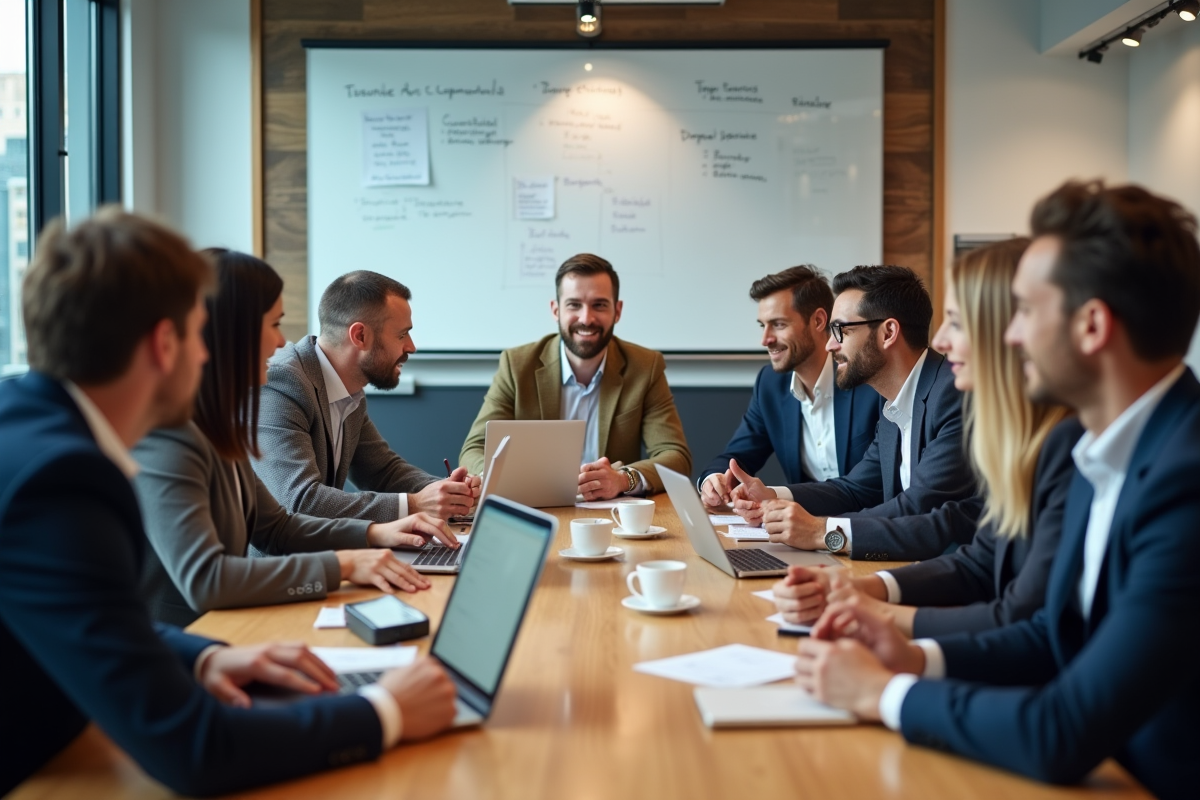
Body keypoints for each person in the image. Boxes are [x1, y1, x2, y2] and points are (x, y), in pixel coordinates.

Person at [0, 209, 457, 797]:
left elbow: (95, 620)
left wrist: (201, 659)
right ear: (166, 344)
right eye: (198, 333)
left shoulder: (37, 434)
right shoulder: (63, 478)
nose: (209, 353)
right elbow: (194, 747)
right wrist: (382, 713)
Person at [794, 181, 1200, 800]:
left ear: (1092, 326)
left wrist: (884, 692)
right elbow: (1048, 636)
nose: (1009, 335)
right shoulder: (1100, 447)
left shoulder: (1183, 482)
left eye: (1027, 312)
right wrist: (911, 657)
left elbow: (1061, 728)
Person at [772, 239, 1081, 636]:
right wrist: (862, 590)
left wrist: (826, 535)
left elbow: (933, 513)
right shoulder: (900, 403)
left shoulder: (971, 403)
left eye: (958, 321)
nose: (942, 340)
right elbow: (980, 558)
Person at [134, 250, 458, 628]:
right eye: (272, 324)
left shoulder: (213, 422)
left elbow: (276, 527)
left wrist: (375, 533)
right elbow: (208, 580)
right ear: (228, 332)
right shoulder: (168, 433)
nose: (279, 341)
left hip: (223, 630)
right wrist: (346, 562)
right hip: (189, 643)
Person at [732, 265, 981, 561]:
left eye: (841, 330)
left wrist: (820, 531)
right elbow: (856, 489)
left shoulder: (953, 394)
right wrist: (774, 497)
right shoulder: (895, 403)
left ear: (888, 332)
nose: (829, 344)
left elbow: (918, 507)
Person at [458, 253, 691, 499]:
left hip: (612, 515)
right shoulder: (517, 365)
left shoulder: (645, 367)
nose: (586, 318)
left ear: (617, 311)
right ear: (556, 310)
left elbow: (676, 455)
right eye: (574, 305)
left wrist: (623, 479)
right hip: (535, 507)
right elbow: (476, 448)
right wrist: (496, 478)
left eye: (599, 305)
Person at [254, 270, 480, 523]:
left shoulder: (349, 390)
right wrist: (415, 503)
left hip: (326, 551)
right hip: (285, 560)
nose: (411, 347)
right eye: (401, 334)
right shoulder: (282, 384)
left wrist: (448, 492)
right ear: (360, 336)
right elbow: (300, 500)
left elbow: (382, 471)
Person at [698, 266, 881, 507]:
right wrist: (715, 479)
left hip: (864, 532)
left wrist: (776, 497)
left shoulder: (867, 379)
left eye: (779, 324)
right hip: (800, 531)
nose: (766, 340)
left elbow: (874, 485)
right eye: (762, 325)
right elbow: (739, 455)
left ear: (818, 321)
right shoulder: (770, 385)